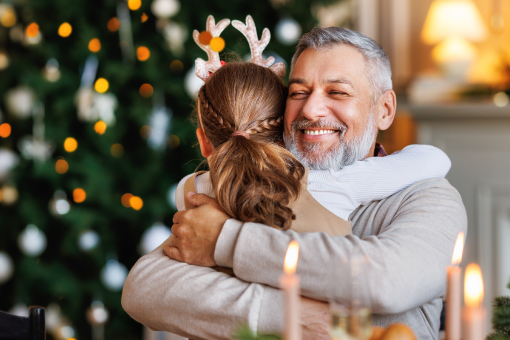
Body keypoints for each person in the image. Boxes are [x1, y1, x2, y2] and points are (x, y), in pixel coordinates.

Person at [122, 24, 467, 340]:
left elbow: (389, 280)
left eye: (337, 92)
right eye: (299, 92)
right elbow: (145, 286)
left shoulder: (428, 196)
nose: (311, 110)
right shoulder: (256, 185)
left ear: (385, 110)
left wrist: (225, 241)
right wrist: (299, 318)